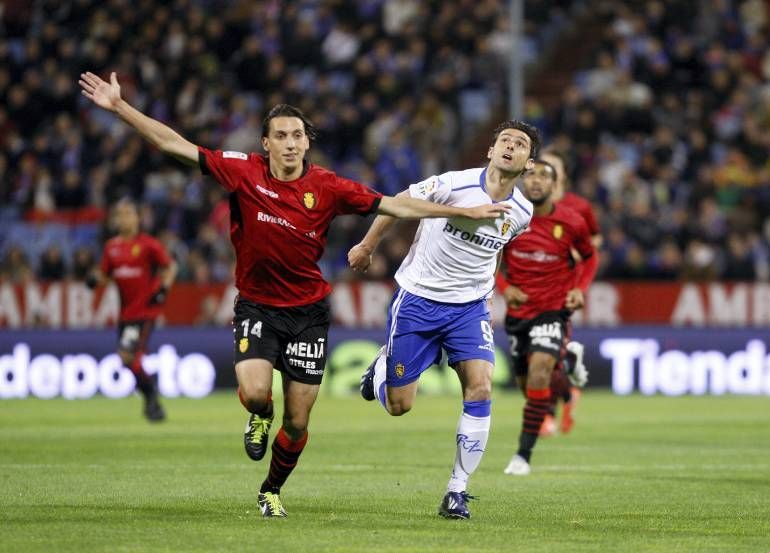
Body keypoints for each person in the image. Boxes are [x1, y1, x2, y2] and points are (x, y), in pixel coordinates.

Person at [78, 71, 509, 519]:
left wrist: (463, 210)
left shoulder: (327, 186)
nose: (289, 143)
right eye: (280, 135)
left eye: (297, 135)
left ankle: (271, 491)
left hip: (308, 312)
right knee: (256, 391)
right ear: (265, 143)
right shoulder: (242, 170)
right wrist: (120, 108)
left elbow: (395, 204)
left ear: (307, 143)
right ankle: (259, 413)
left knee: (299, 421)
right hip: (257, 306)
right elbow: (174, 145)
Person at [349, 120, 541, 519]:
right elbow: (397, 202)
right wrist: (367, 246)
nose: (510, 146)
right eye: (504, 140)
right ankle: (382, 369)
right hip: (419, 299)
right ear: (490, 151)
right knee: (400, 406)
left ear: (528, 164)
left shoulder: (523, 212)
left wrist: (489, 290)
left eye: (519, 144)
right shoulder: (453, 183)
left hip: (469, 308)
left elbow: (497, 248)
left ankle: (457, 489)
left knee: (481, 387)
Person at [496, 160, 597, 477]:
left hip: (553, 308)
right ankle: (566, 371)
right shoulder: (508, 217)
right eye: (531, 175)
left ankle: (522, 456)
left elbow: (590, 256)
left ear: (555, 186)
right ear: (523, 183)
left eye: (545, 176)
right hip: (518, 313)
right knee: (530, 388)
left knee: (540, 373)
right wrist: (505, 287)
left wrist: (580, 289)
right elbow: (492, 260)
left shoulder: (571, 221)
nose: (537, 181)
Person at [86, 198, 177, 422]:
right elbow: (104, 276)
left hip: (144, 312)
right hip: (125, 314)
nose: (123, 218)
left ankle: (151, 396)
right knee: (127, 360)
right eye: (120, 214)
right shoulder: (112, 247)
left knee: (127, 356)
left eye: (128, 213)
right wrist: (93, 279)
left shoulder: (148, 245)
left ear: (138, 218)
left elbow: (170, 266)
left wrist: (163, 288)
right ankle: (151, 396)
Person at [538, 147, 602, 436]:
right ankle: (566, 394)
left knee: (547, 353)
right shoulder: (530, 204)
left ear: (562, 175)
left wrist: (575, 254)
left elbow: (594, 240)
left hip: (564, 288)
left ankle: (547, 415)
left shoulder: (579, 207)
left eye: (552, 167)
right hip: (534, 287)